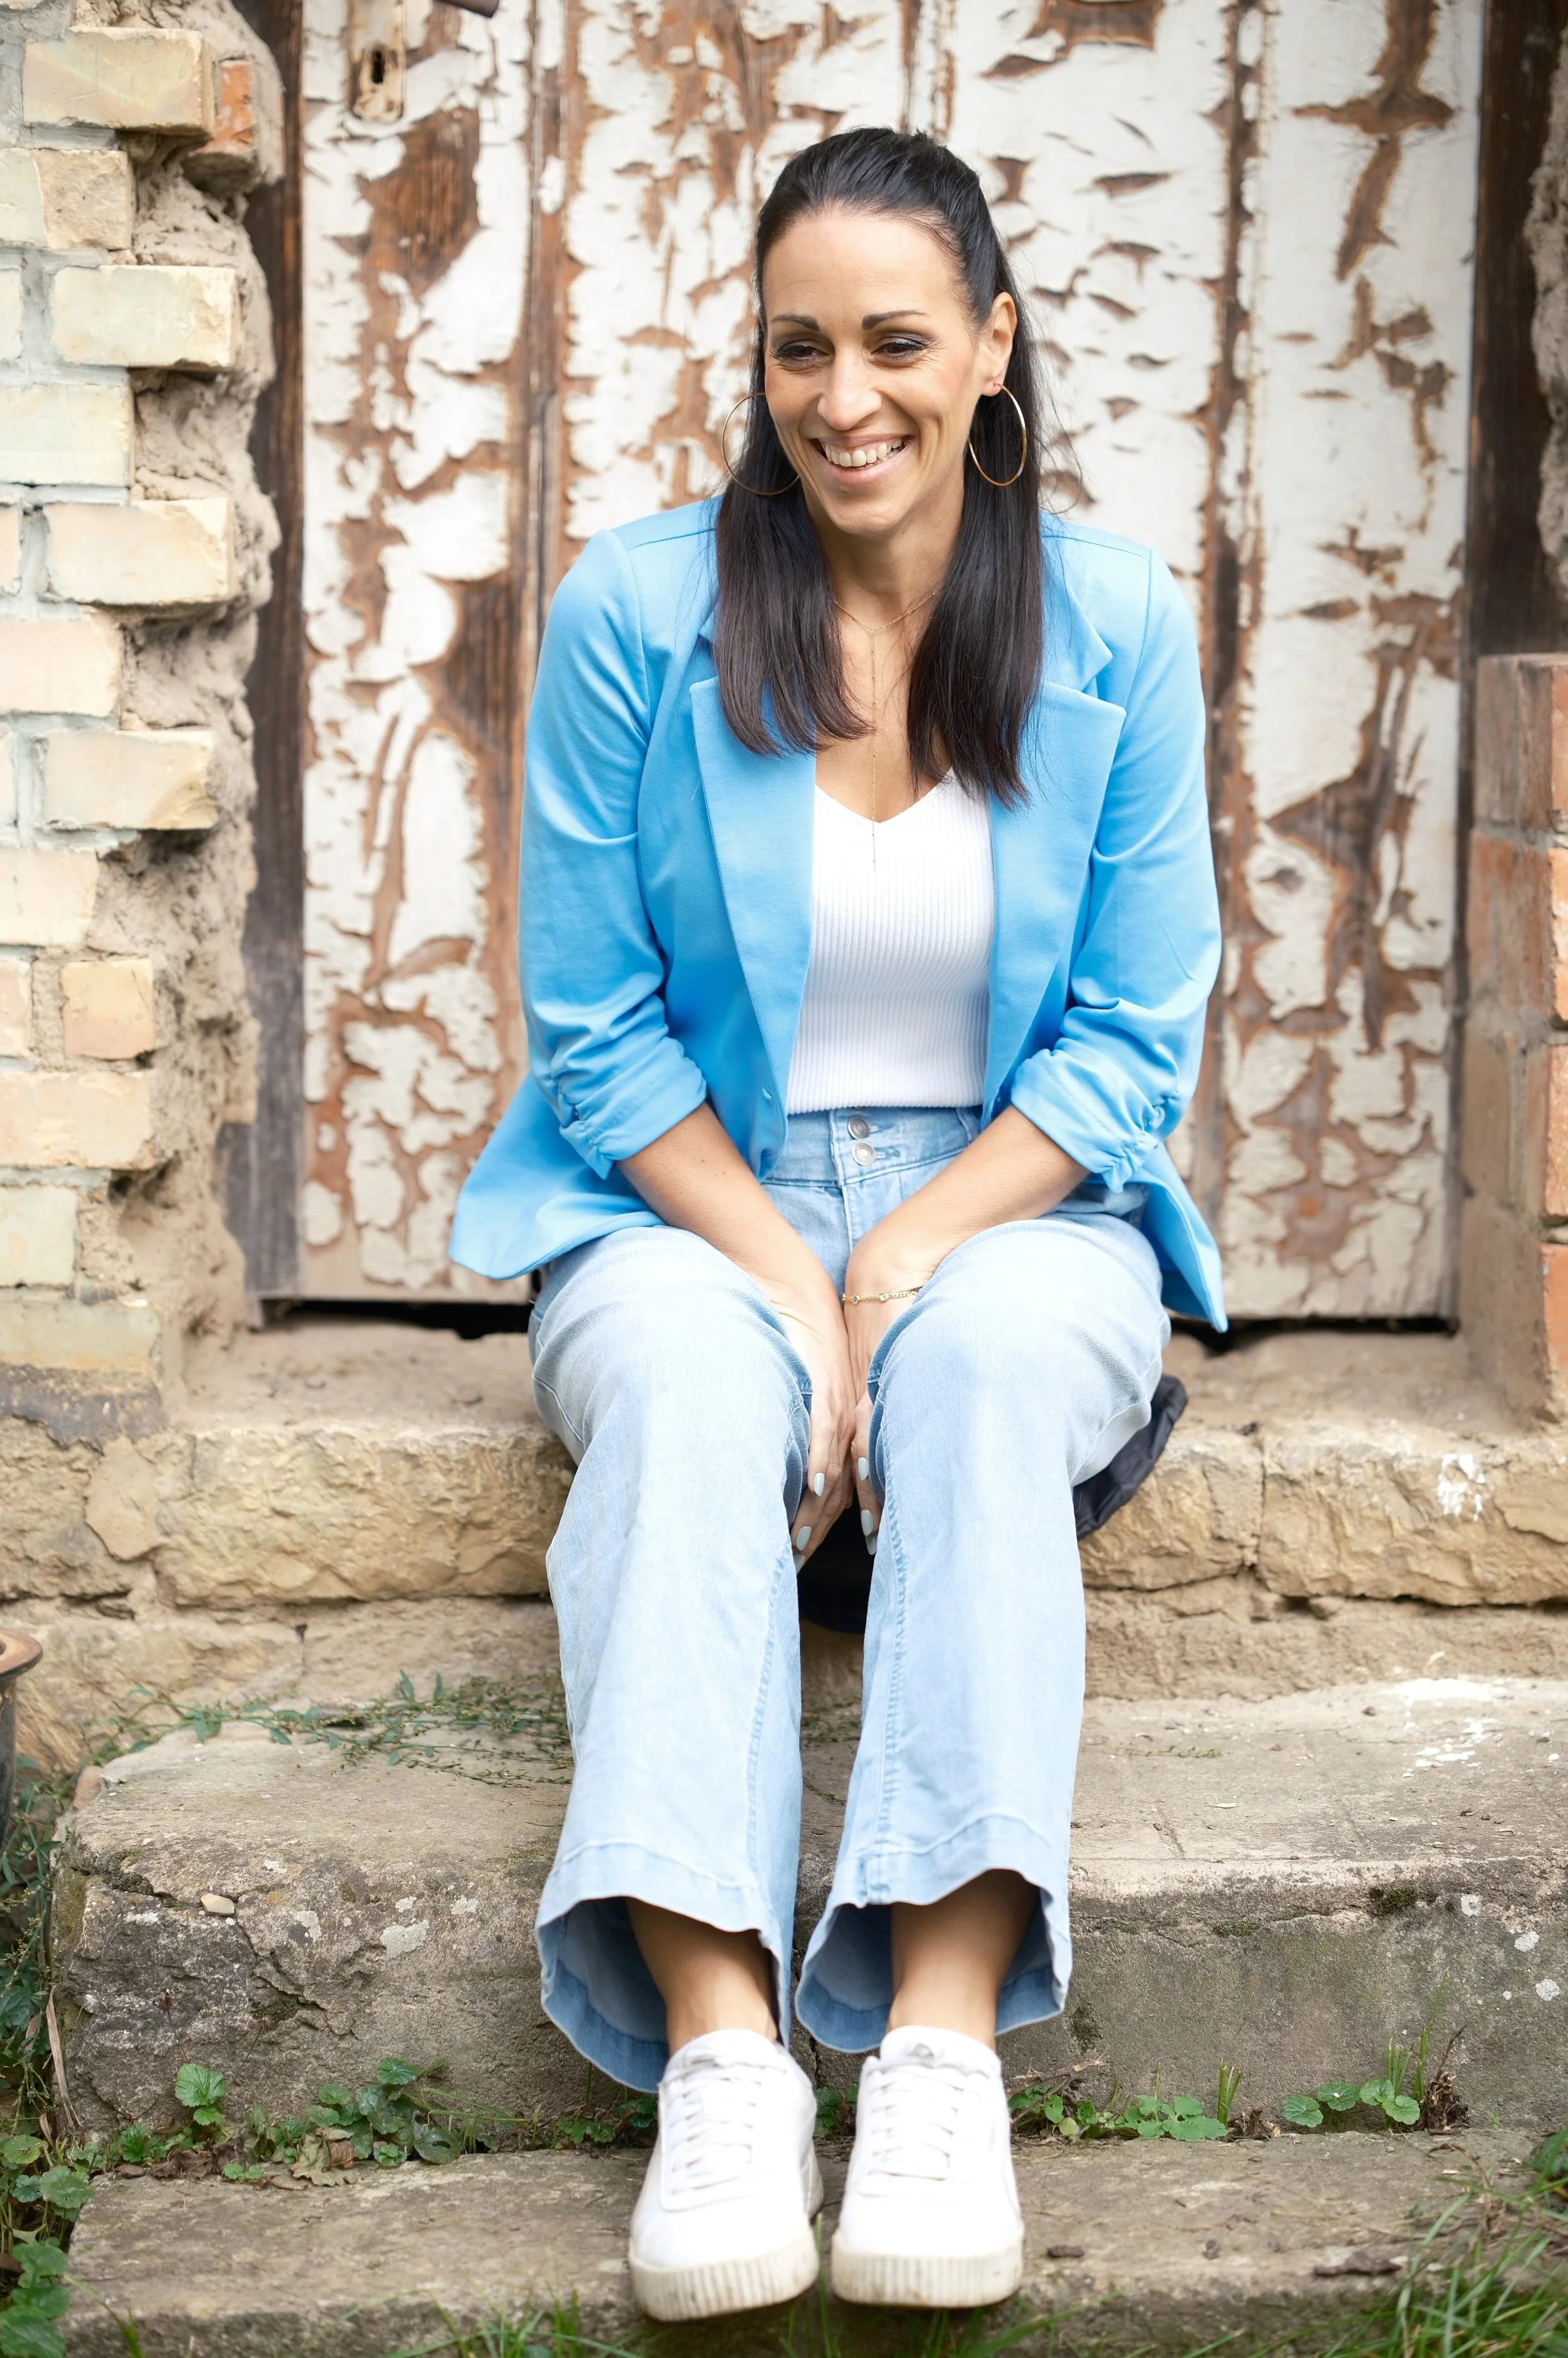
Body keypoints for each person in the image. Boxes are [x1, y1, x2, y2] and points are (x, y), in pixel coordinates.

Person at [451, 125, 1223, 2322]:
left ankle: (941, 2044)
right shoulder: (634, 615)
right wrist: (793, 1277)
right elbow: (597, 1039)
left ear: (990, 348)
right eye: (800, 347)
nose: (843, 393)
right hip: (686, 1201)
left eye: (897, 339)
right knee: (699, 1372)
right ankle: (720, 2062)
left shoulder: (1116, 625)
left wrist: (899, 1266)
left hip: (1017, 1199)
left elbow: (1123, 1049)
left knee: (977, 1358)